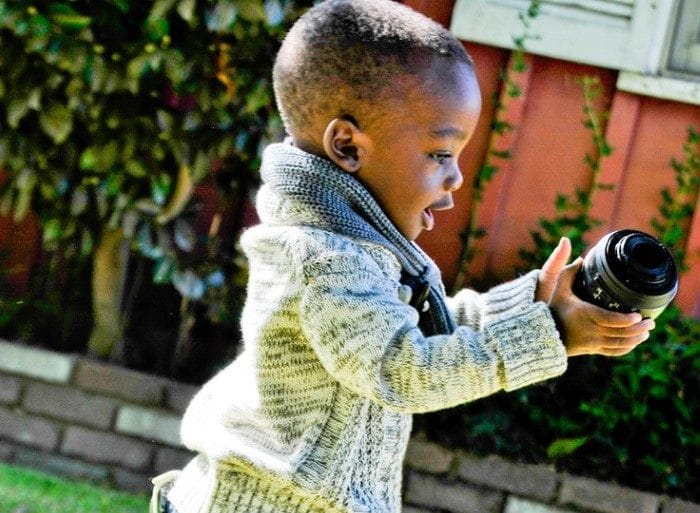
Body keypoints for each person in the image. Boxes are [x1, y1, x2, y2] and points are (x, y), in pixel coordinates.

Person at [152, 1, 654, 512]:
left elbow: (416, 335)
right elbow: (403, 369)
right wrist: (549, 335)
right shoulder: (324, 259)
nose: (456, 176)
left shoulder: (352, 248)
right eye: (440, 154)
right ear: (346, 146)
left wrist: (532, 308)